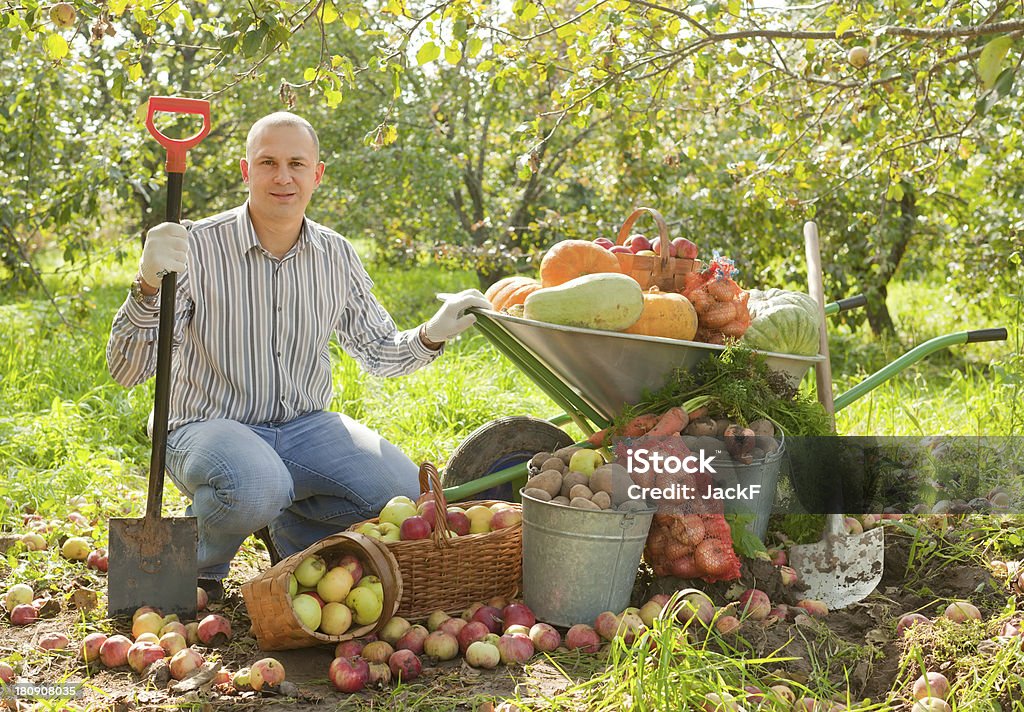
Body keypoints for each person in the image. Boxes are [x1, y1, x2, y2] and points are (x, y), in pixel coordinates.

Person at [106, 111, 490, 600]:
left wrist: (434, 333)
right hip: (207, 425)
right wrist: (145, 286)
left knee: (400, 495)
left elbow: (375, 350)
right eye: (267, 162)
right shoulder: (194, 248)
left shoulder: (336, 254)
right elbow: (127, 371)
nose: (282, 176)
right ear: (246, 172)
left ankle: (290, 533)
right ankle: (200, 561)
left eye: (296, 163)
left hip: (304, 427)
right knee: (255, 483)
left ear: (317, 174)